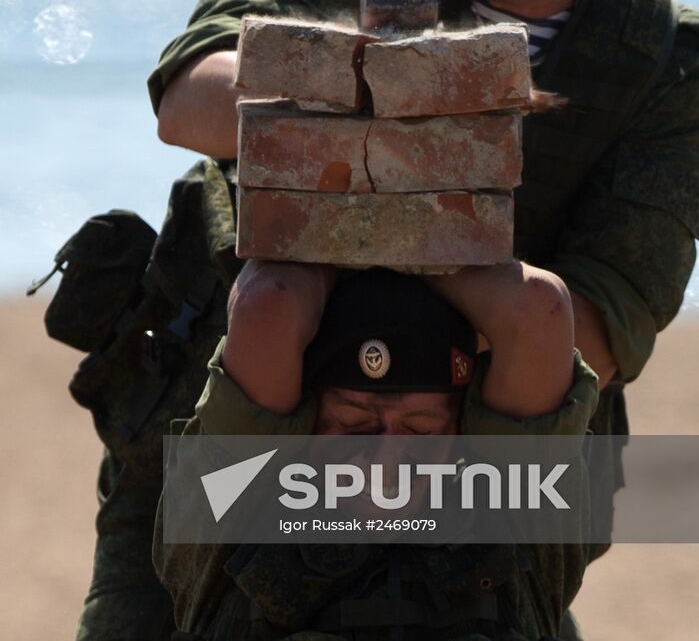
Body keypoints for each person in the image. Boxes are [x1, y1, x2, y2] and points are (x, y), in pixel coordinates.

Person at [72, 0, 699, 639]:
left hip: (471, 494)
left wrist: (359, 180)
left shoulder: (665, 60)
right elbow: (191, 99)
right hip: (220, 433)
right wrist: (397, 108)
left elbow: (595, 331)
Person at [154, 265, 599, 640]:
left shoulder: (512, 518)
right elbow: (269, 305)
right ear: (302, 424)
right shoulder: (233, 515)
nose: (386, 460)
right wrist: (364, 238)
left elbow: (538, 308)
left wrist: (404, 248)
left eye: (421, 430)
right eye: (354, 425)